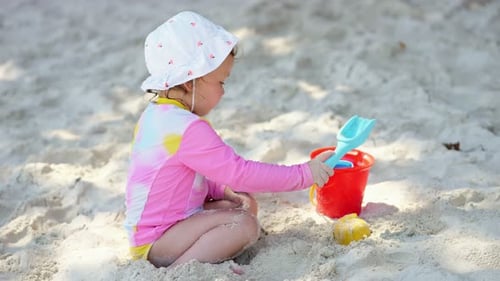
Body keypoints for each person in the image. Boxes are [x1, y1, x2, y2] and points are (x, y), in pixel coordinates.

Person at [124, 11, 334, 268]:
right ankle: (182, 269)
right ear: (191, 82)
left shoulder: (158, 115)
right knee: (244, 224)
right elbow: (239, 172)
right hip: (158, 240)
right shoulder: (185, 128)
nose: (223, 91)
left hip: (167, 227)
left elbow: (185, 176)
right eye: (220, 81)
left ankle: (200, 256)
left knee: (244, 204)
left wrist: (222, 190)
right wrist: (304, 174)